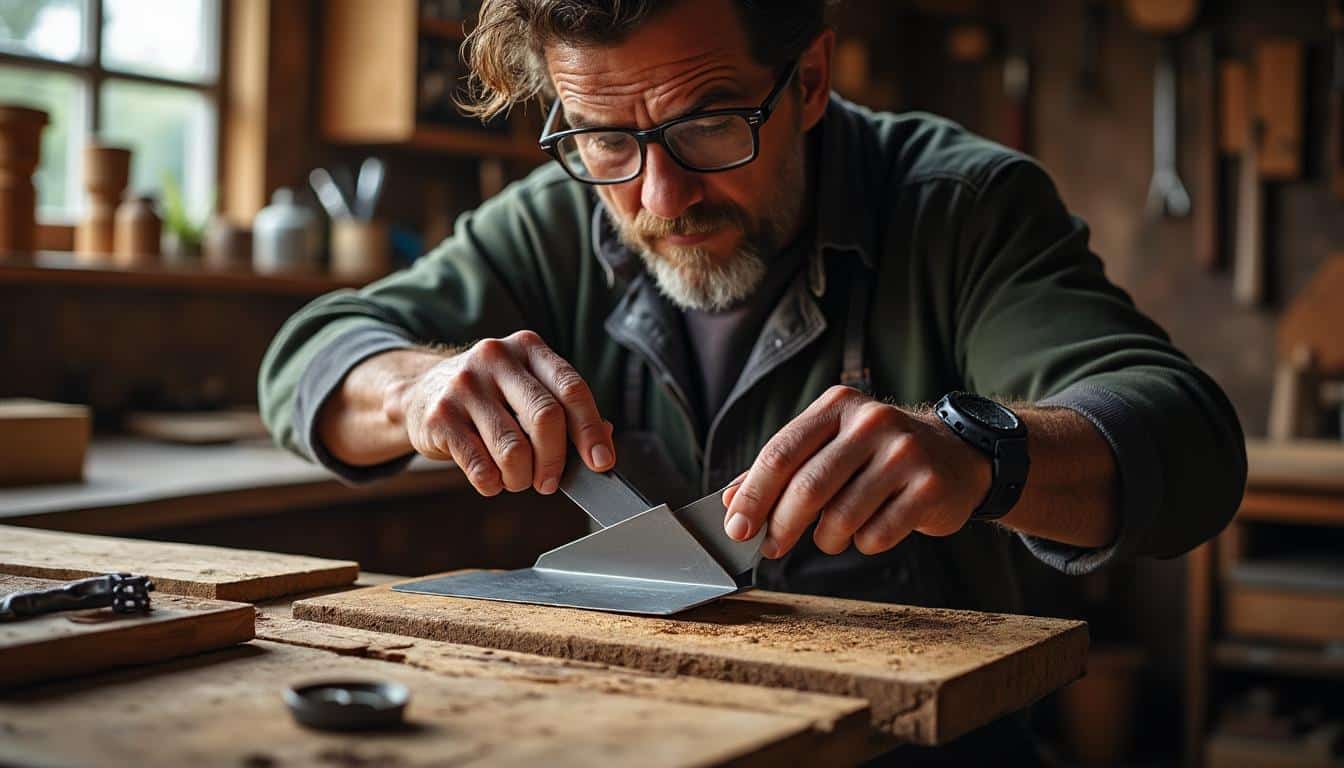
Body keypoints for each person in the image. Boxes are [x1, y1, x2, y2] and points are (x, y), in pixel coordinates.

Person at [260, 0, 1245, 760]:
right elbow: (311, 354)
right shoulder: (560, 220)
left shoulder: (962, 209)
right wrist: (413, 391)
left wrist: (984, 454)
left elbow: (1189, 442)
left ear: (809, 79)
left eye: (707, 123)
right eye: (605, 137)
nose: (658, 196)